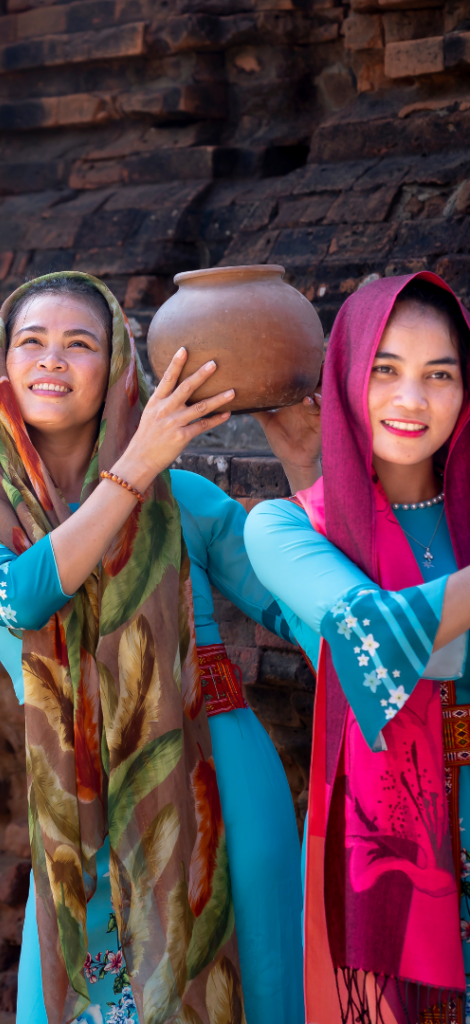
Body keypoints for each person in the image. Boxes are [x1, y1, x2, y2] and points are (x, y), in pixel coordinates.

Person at [0, 271, 259, 1024]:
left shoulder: (189, 503)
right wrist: (136, 466)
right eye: (31, 342)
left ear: (116, 368)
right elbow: (22, 597)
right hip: (75, 824)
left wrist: (301, 449)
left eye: (81, 343)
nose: (53, 359)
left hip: (221, 793)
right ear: (1, 368)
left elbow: (317, 611)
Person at [245, 272, 470, 1022]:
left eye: (439, 375)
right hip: (390, 862)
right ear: (346, 378)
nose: (412, 399)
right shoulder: (286, 529)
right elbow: (372, 633)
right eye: (385, 370)